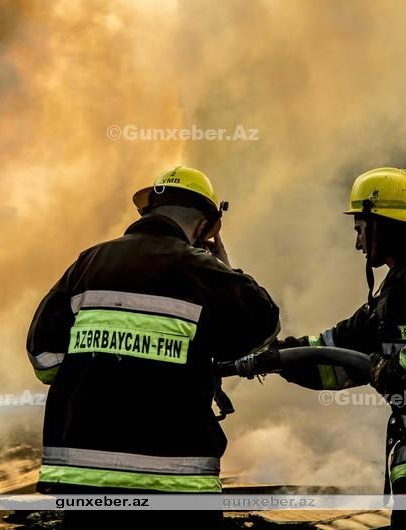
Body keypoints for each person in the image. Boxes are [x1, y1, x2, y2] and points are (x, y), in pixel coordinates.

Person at [26, 165, 280, 529]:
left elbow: (44, 359)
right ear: (206, 227)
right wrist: (227, 267)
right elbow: (264, 322)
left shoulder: (89, 262)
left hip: (87, 479)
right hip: (176, 480)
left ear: (146, 212)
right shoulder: (201, 270)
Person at [257, 167, 406, 529]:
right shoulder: (394, 290)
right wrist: (274, 358)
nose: (357, 242)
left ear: (381, 225)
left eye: (360, 229)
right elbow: (335, 352)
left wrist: (386, 371)